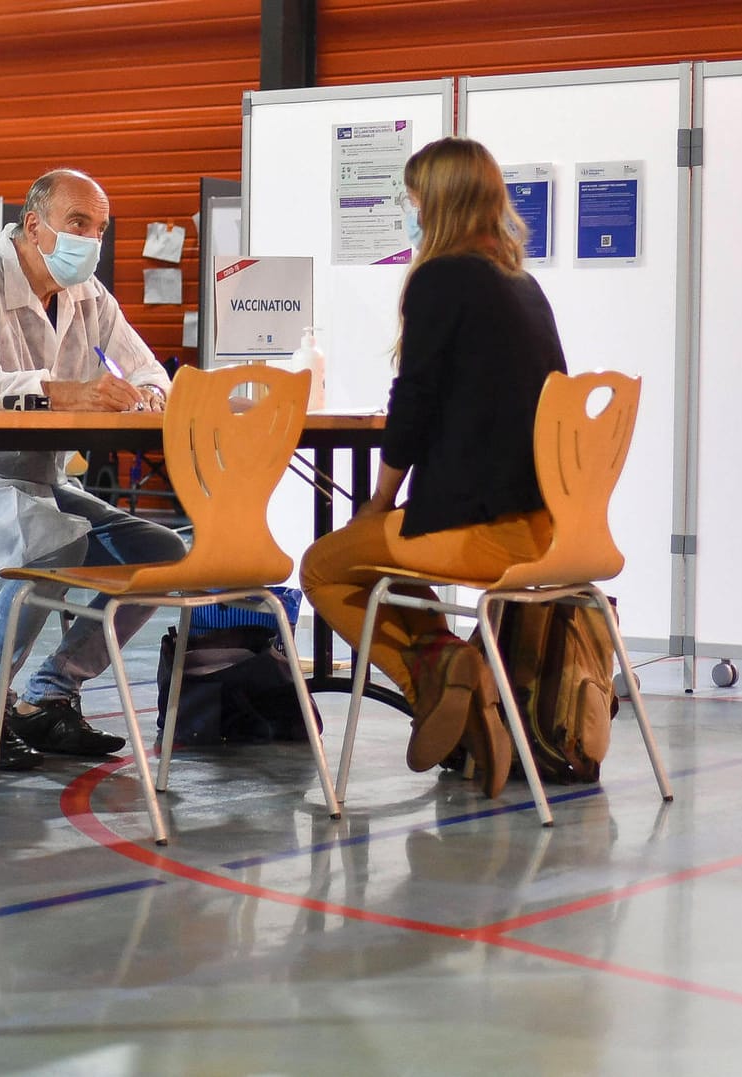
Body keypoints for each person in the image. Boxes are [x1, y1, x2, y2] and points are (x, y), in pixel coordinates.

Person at [0, 168, 188, 771]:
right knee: (48, 537)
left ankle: (53, 695)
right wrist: (63, 392)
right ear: (34, 225)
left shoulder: (90, 296)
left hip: (42, 483)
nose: (91, 241)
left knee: (163, 555)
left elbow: (151, 372)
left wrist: (146, 395)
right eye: (78, 223)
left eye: (100, 228)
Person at [300, 137, 568, 799]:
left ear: (437, 200)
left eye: (413, 193)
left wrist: (378, 499)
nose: (408, 206)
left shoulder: (441, 278)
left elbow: (412, 403)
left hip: (481, 527)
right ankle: (453, 672)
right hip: (548, 526)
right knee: (383, 558)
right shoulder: (522, 284)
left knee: (326, 565)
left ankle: (444, 679)